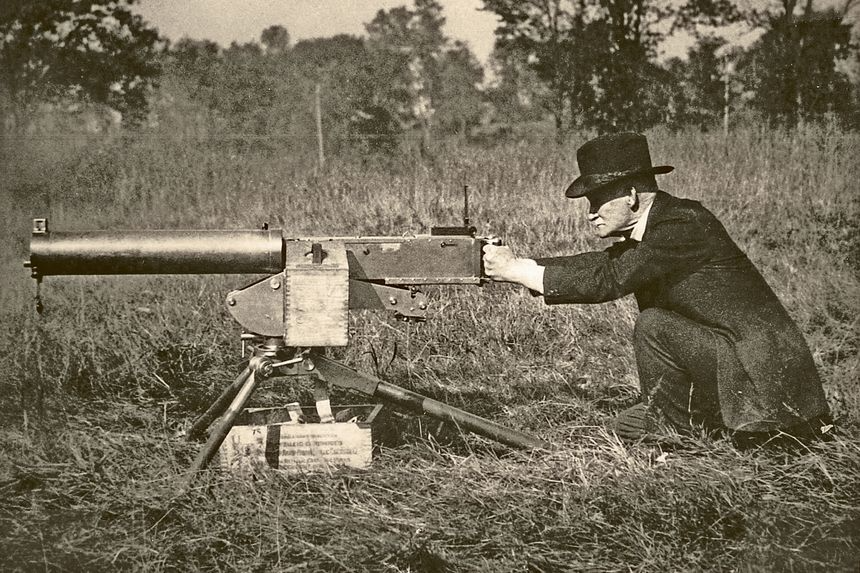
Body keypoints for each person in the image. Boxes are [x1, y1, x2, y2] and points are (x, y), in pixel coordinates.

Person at [482, 132, 832, 447]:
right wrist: (521, 265)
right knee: (625, 426)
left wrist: (516, 271)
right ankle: (692, 426)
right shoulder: (660, 227)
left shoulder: (681, 223)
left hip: (769, 390)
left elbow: (610, 277)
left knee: (653, 325)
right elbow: (603, 264)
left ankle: (678, 442)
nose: (590, 214)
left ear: (631, 195)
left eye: (597, 201)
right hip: (743, 369)